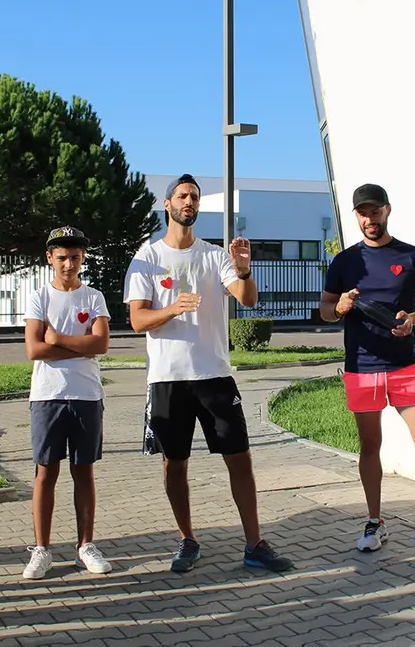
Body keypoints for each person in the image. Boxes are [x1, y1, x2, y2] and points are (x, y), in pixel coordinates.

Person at [124, 173, 293, 573]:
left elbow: (247, 300)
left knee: (240, 459)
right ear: (167, 205)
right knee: (175, 464)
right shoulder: (146, 257)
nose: (189, 202)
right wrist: (171, 309)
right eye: (182, 196)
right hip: (167, 380)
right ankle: (187, 539)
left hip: (214, 376)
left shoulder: (215, 255)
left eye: (194, 197)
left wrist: (245, 270)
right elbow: (136, 319)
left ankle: (254, 543)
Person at [319, 183, 415, 553]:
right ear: (356, 215)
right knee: (369, 446)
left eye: (375, 211)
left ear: (387, 211)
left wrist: (414, 318)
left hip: (405, 365)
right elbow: (326, 312)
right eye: (363, 212)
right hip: (362, 368)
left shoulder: (412, 256)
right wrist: (341, 307)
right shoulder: (344, 262)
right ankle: (374, 521)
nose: (369, 218)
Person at [22, 226, 114, 579]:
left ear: (83, 258)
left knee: (84, 471)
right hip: (48, 395)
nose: (68, 264)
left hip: (87, 394)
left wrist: (58, 338)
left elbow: (101, 344)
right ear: (50, 258)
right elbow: (34, 349)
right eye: (61, 257)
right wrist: (80, 342)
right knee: (46, 471)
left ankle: (85, 545)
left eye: (75, 257)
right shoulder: (39, 297)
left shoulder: (93, 297)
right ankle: (41, 548)